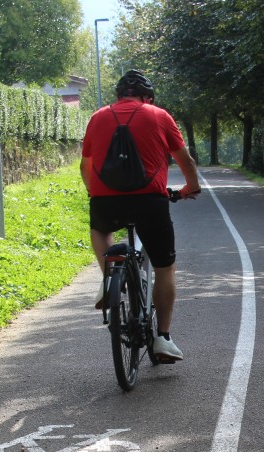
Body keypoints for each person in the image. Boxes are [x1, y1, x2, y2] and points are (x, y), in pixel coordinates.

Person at [80, 69, 200, 363]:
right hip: (150, 202)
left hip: (106, 202)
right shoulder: (159, 116)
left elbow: (86, 166)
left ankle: (109, 277)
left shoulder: (97, 117)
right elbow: (184, 160)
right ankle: (162, 338)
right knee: (164, 268)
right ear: (148, 97)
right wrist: (190, 188)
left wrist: (94, 194)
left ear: (119, 96)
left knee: (100, 231)